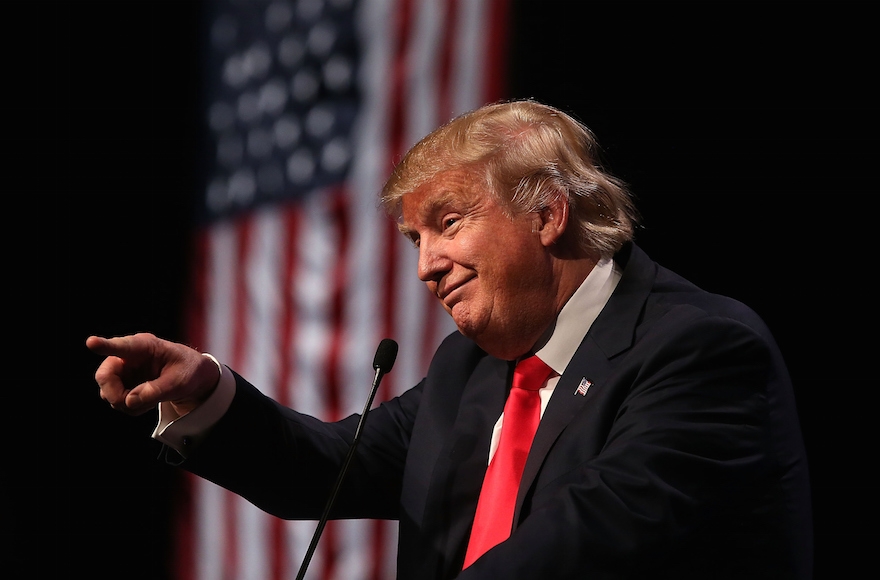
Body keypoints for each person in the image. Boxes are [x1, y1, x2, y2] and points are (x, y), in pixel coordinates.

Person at [88, 100, 812, 579]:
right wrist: (206, 392)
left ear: (548, 214)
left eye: (449, 222)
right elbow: (326, 467)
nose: (426, 265)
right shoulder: (471, 369)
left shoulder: (701, 350)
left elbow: (584, 544)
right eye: (414, 239)